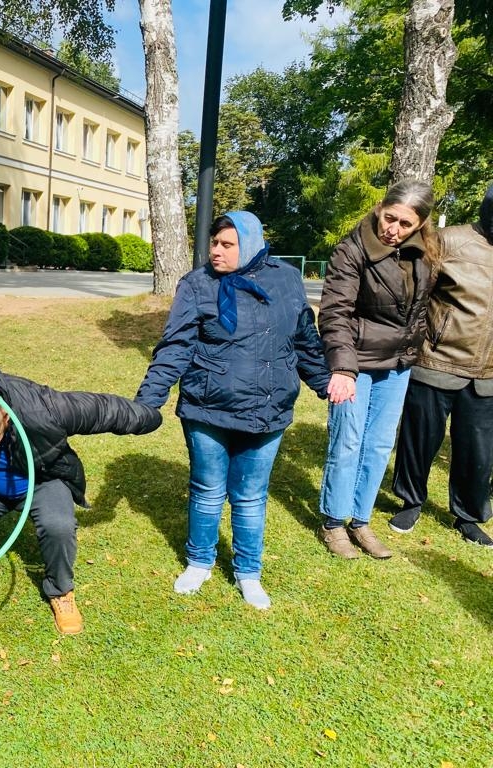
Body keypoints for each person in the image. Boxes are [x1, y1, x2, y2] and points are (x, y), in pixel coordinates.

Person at [135, 211, 329, 610]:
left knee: (251, 496)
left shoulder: (286, 279)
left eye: (227, 245)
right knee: (207, 491)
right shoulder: (197, 284)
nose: (216, 252)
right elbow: (176, 347)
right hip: (207, 410)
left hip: (267, 410)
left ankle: (248, 572)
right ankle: (200, 562)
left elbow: (305, 338)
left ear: (251, 244)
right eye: (214, 243)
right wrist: (147, 402)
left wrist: (326, 382)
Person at [0, 355, 162, 634]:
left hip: (44, 480)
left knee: (58, 527)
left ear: (5, 417)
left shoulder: (45, 408)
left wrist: (150, 416)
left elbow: (105, 410)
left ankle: (61, 592)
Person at [317, 180, 437, 559]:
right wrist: (342, 369)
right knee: (347, 441)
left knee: (379, 444)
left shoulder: (425, 253)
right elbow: (335, 312)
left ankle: (360, 520)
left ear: (420, 226)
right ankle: (334, 522)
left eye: (405, 224)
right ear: (379, 208)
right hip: (356, 362)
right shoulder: (352, 249)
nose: (394, 230)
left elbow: (424, 307)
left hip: (399, 364)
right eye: (390, 218)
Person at [390, 183, 493, 546]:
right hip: (438, 360)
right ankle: (410, 501)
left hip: (488, 374)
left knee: (478, 449)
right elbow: (415, 294)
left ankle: (468, 515)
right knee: (419, 437)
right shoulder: (450, 241)